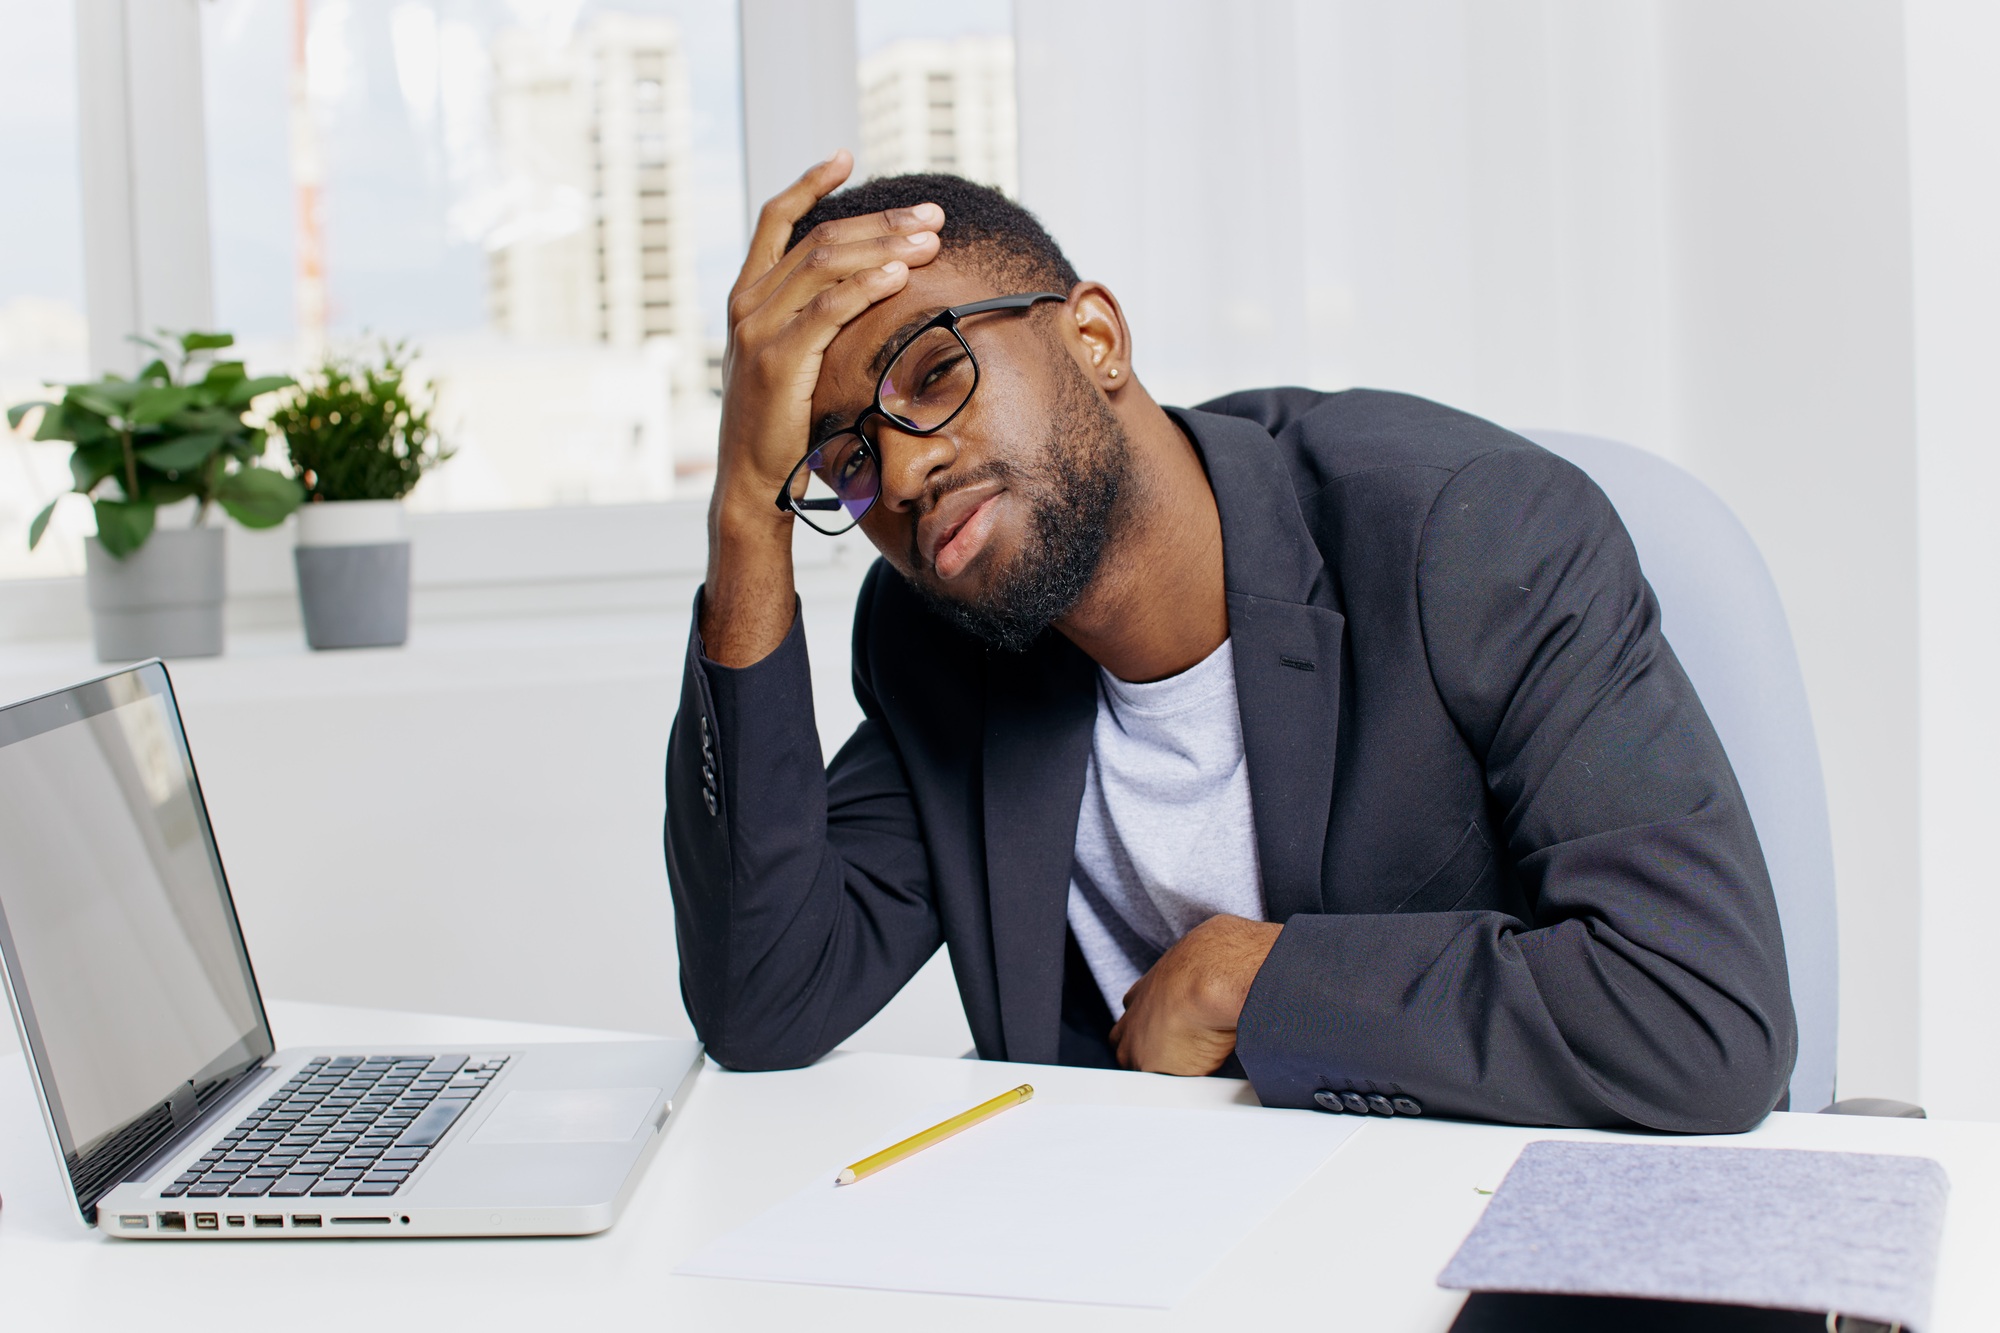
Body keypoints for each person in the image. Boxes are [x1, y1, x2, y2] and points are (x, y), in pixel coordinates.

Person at [664, 152, 1796, 1132]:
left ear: (1095, 337)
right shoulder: (941, 642)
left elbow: (1698, 1010)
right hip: (1140, 1248)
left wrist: (1255, 979)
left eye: (935, 373)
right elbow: (764, 999)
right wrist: (742, 513)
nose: (900, 474)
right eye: (844, 463)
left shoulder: (1467, 534)